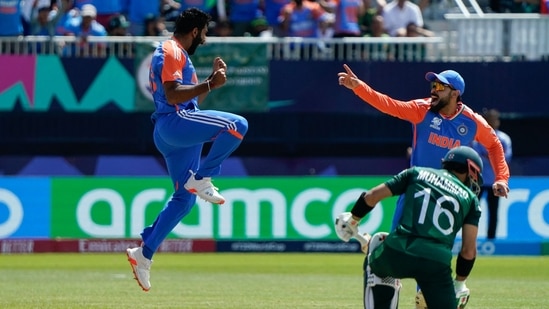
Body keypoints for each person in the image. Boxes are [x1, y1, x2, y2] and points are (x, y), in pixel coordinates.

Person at [337, 64, 510, 303]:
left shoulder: (472, 121)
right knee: (399, 247)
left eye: (440, 86)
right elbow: (389, 104)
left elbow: (494, 145)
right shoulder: (422, 110)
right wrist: (359, 88)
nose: (434, 90)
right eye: (433, 85)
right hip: (414, 191)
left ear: (455, 93)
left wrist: (502, 177)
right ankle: (388, 281)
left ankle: (425, 295)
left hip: (447, 199)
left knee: (431, 262)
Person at [126, 8, 249, 292]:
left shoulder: (178, 54)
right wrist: (208, 83)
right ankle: (203, 177)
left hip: (175, 130)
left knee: (184, 199)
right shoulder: (172, 50)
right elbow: (173, 95)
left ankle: (143, 254)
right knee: (237, 125)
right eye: (204, 33)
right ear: (194, 31)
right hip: (174, 123)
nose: (204, 40)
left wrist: (212, 81)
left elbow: (192, 96)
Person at [335, 146, 484, 308]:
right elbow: (468, 251)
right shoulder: (471, 199)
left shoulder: (416, 172)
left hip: (399, 251)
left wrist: (353, 220)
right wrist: (459, 283)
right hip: (436, 264)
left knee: (377, 241)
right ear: (470, 169)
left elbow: (372, 196)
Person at [471, 108, 512, 240]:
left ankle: (491, 239)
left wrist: (491, 157)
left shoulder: (504, 139)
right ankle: (471, 237)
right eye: (489, 119)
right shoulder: (477, 138)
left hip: (495, 181)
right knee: (473, 211)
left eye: (495, 119)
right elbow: (474, 156)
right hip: (478, 180)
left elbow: (507, 157)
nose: (493, 122)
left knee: (493, 212)